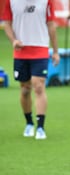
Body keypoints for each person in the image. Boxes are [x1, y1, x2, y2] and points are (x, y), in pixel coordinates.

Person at [2, 0, 60, 140]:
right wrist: (13, 40)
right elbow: (6, 24)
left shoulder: (47, 1)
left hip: (40, 49)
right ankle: (29, 123)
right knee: (25, 89)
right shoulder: (10, 2)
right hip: (21, 52)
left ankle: (40, 127)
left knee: (38, 86)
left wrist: (56, 51)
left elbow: (51, 25)